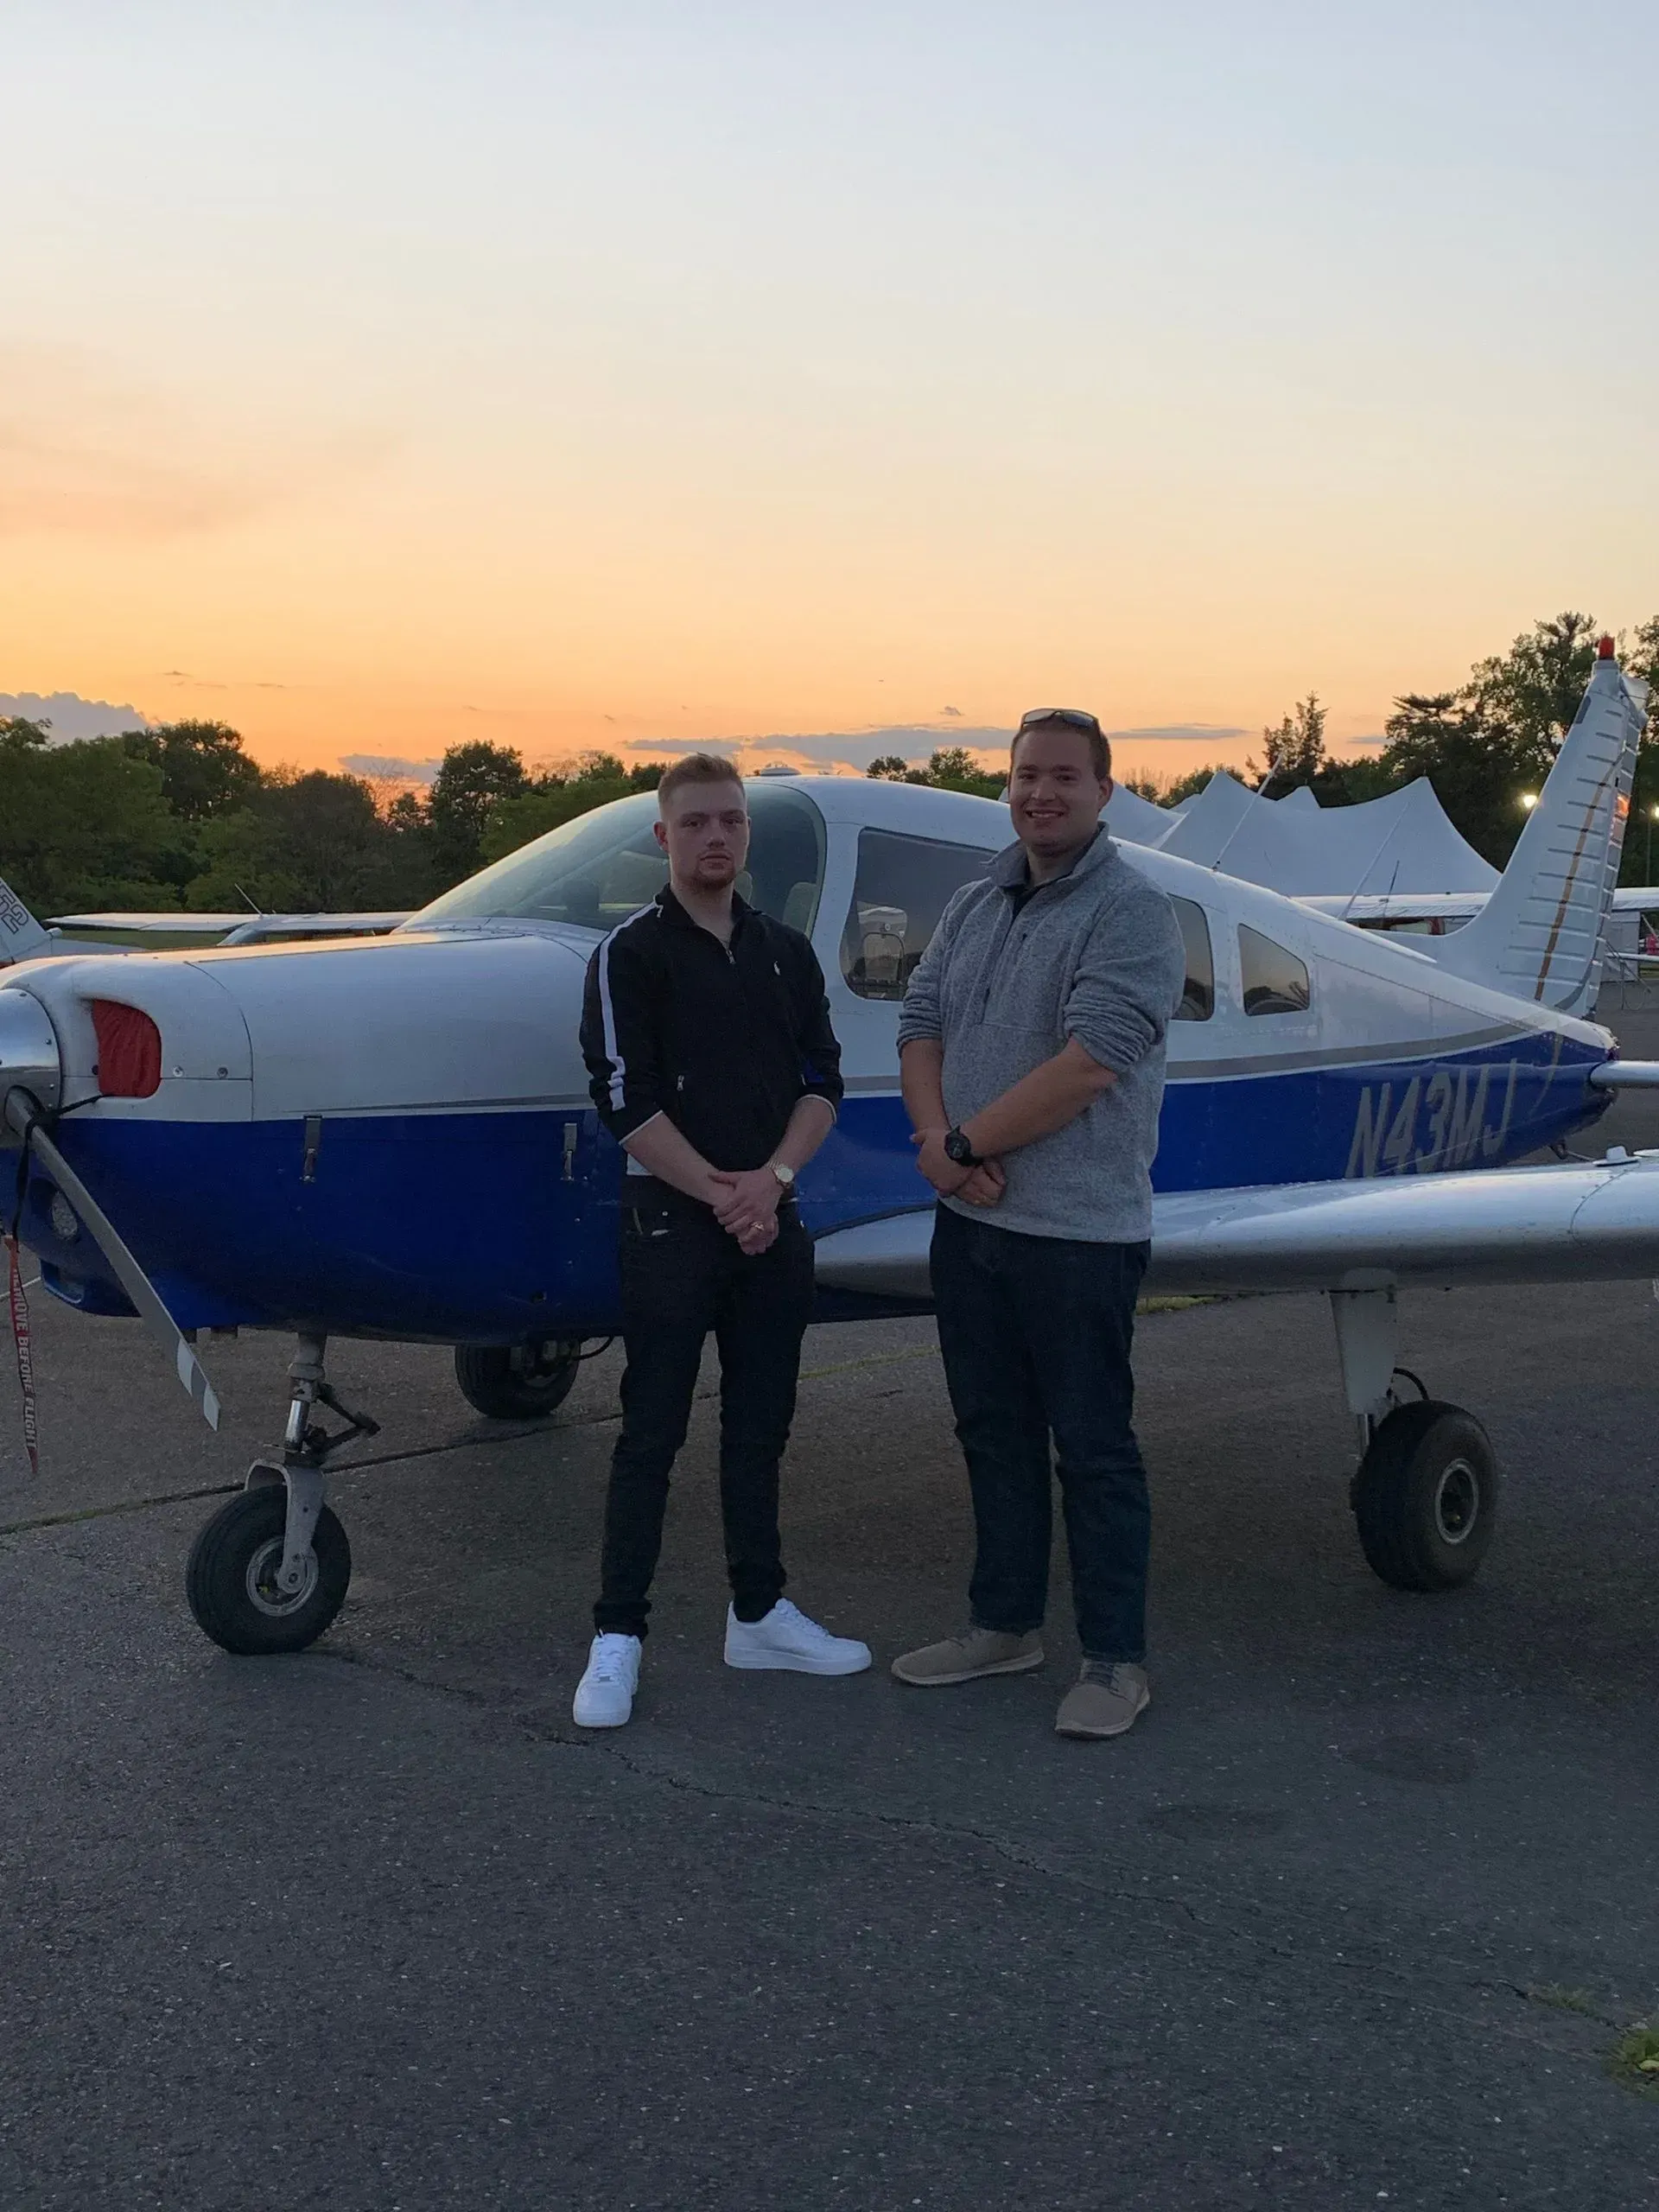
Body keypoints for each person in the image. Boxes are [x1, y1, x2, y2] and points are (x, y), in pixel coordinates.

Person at [892, 708, 1186, 1739]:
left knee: (1094, 1449)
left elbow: (1092, 1060)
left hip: (1078, 1233)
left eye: (1064, 775)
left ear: (1105, 791)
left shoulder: (1135, 911)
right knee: (991, 1432)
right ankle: (1004, 1623)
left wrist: (961, 1148)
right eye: (1024, 776)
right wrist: (937, 1144)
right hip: (970, 1227)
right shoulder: (977, 902)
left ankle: (1114, 1660)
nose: (1040, 792)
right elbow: (920, 1022)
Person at [573, 752, 871, 1727]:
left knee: (761, 1428)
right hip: (671, 1227)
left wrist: (772, 1183)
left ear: (747, 836)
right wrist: (720, 1192)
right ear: (664, 836)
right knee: (649, 1432)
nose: (715, 838)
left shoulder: (786, 952)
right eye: (696, 822)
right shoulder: (629, 955)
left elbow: (822, 1083)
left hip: (767, 1226)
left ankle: (759, 1612)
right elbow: (624, 1099)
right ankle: (617, 1638)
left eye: (731, 823)